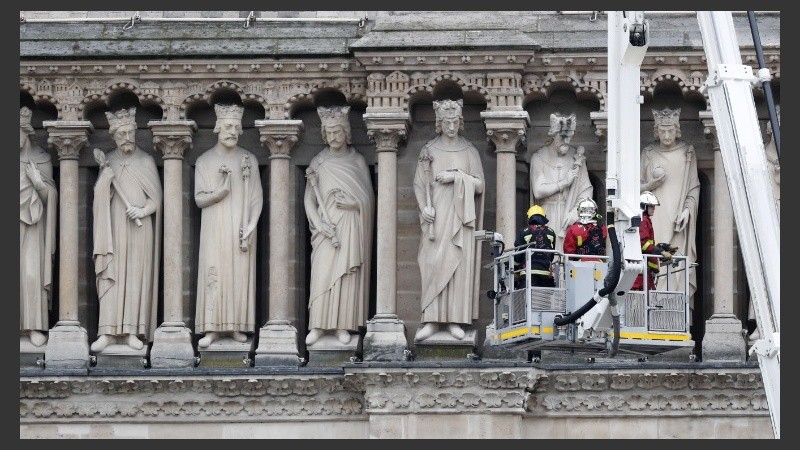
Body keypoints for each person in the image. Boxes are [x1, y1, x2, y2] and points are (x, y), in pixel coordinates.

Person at [91, 107, 163, 352]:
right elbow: (99, 199)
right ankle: (108, 332)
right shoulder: (107, 161)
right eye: (122, 134)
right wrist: (105, 182)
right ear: (113, 136)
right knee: (113, 276)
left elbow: (158, 200)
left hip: (139, 230)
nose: (127, 138)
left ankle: (132, 330)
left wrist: (142, 211)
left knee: (134, 277)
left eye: (130, 133)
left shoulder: (146, 160)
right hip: (113, 229)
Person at [413, 99, 485, 342]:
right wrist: (424, 208)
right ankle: (432, 320)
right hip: (436, 219)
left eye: (455, 122)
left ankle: (455, 320)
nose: (452, 126)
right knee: (431, 263)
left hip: (459, 220)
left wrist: (455, 177)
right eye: (447, 122)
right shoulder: (428, 151)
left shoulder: (469, 151)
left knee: (457, 268)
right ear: (439, 123)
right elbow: (419, 185)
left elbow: (479, 185)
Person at [304, 106, 375, 346]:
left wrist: (355, 203)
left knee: (346, 277)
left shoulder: (357, 161)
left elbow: (369, 199)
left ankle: (342, 325)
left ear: (346, 132)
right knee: (322, 275)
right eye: (329, 133)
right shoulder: (319, 162)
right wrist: (317, 223)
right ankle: (319, 325)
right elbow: (309, 199)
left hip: (350, 228)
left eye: (338, 132)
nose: (333, 137)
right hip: (326, 230)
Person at [194, 104, 263, 348]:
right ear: (217, 128)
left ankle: (235, 326)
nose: (232, 131)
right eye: (227, 126)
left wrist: (252, 225)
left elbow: (256, 199)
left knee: (237, 273)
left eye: (236, 127)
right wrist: (220, 193)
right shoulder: (204, 161)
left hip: (239, 229)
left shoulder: (249, 160)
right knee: (215, 272)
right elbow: (199, 198)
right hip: (214, 228)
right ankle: (211, 328)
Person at [640, 107, 699, 303]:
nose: (666, 135)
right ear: (656, 131)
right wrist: (652, 185)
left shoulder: (687, 153)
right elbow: (633, 188)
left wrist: (687, 211)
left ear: (677, 130)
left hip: (677, 220)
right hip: (654, 218)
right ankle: (654, 305)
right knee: (655, 258)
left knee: (675, 263)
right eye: (662, 131)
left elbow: (693, 189)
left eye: (671, 131)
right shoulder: (648, 153)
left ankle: (674, 308)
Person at [20, 106, 57, 348]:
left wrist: (37, 183)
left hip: (32, 227)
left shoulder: (41, 159)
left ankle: (32, 326)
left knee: (30, 274)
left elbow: (51, 197)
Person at [530, 112, 593, 252]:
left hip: (569, 214)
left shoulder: (577, 158)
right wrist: (563, 183)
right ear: (553, 134)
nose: (567, 142)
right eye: (563, 137)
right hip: (547, 215)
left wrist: (576, 212)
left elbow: (586, 191)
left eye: (569, 137)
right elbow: (538, 191)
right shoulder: (539, 157)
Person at [631, 191, 675, 291]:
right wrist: (660, 252)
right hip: (642, 270)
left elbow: (648, 244)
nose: (654, 209)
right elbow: (643, 244)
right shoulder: (643, 220)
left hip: (646, 270)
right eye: (651, 206)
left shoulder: (645, 220)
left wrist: (661, 247)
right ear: (644, 206)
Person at [513, 205, 557, 288]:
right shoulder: (551, 232)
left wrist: (514, 269)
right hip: (546, 273)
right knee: (543, 300)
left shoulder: (524, 232)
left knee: (526, 299)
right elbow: (551, 254)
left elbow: (518, 255)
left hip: (528, 273)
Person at [563, 197, 607, 262]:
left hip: (579, 264)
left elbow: (569, 251)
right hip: (599, 264)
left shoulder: (573, 229)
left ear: (579, 211)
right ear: (595, 211)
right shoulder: (603, 229)